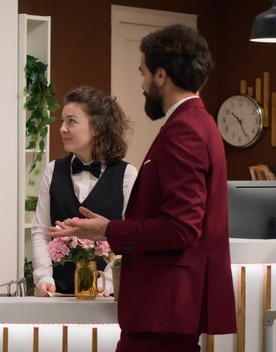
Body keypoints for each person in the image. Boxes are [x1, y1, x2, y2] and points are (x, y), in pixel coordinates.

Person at [48, 24, 237, 351]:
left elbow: (181, 227)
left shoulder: (185, 130)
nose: (142, 84)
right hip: (171, 309)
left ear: (161, 75)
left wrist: (109, 230)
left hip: (163, 308)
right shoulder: (199, 123)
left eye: (143, 74)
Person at [31, 86, 137, 296]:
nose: (62, 128)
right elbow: (41, 232)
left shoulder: (127, 175)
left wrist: (105, 283)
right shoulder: (53, 170)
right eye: (62, 121)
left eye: (71, 121)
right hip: (58, 294)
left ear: (96, 127)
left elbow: (130, 240)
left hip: (106, 297)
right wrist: (44, 277)